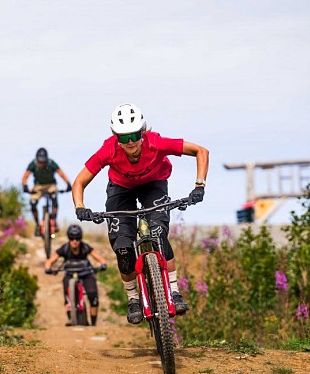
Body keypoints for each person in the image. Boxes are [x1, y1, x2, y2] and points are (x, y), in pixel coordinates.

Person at [71, 103, 209, 325]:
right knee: (123, 248)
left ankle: (174, 292)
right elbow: (80, 181)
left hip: (153, 184)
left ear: (142, 132)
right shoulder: (108, 150)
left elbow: (201, 151)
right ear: (116, 138)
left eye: (135, 135)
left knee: (158, 233)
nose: (131, 142)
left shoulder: (156, 143)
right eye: (124, 138)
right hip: (121, 189)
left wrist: (199, 185)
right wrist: (80, 207)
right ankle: (134, 299)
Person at [44, 224, 108, 326]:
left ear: (80, 238)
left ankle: (94, 324)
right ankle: (71, 318)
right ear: (69, 238)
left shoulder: (85, 247)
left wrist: (103, 264)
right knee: (67, 294)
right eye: (72, 238)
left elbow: (100, 259)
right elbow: (50, 261)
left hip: (86, 273)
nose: (75, 241)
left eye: (77, 238)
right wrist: (48, 268)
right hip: (70, 274)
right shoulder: (64, 248)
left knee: (92, 296)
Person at [21, 147, 73, 237]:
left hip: (51, 185)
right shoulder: (33, 164)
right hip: (38, 186)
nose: (41, 163)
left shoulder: (51, 163)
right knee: (33, 202)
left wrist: (68, 184)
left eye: (43, 161)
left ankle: (54, 221)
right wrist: (25, 186)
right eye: (40, 161)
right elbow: (25, 176)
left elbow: (61, 173)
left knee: (54, 198)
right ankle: (37, 224)